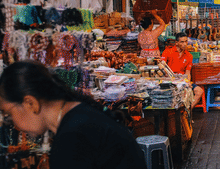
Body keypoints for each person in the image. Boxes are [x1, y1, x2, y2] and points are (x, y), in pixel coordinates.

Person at [0, 60, 147, 169]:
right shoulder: (78, 115)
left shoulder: (72, 137)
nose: (10, 122)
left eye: (8, 114)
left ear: (30, 104)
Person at [161, 32, 203, 111]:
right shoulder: (167, 52)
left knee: (199, 91)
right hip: (170, 81)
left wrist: (188, 82)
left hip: (182, 81)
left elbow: (188, 72)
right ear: (176, 43)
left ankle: (186, 113)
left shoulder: (189, 56)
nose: (185, 44)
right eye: (182, 42)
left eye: (186, 41)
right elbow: (163, 68)